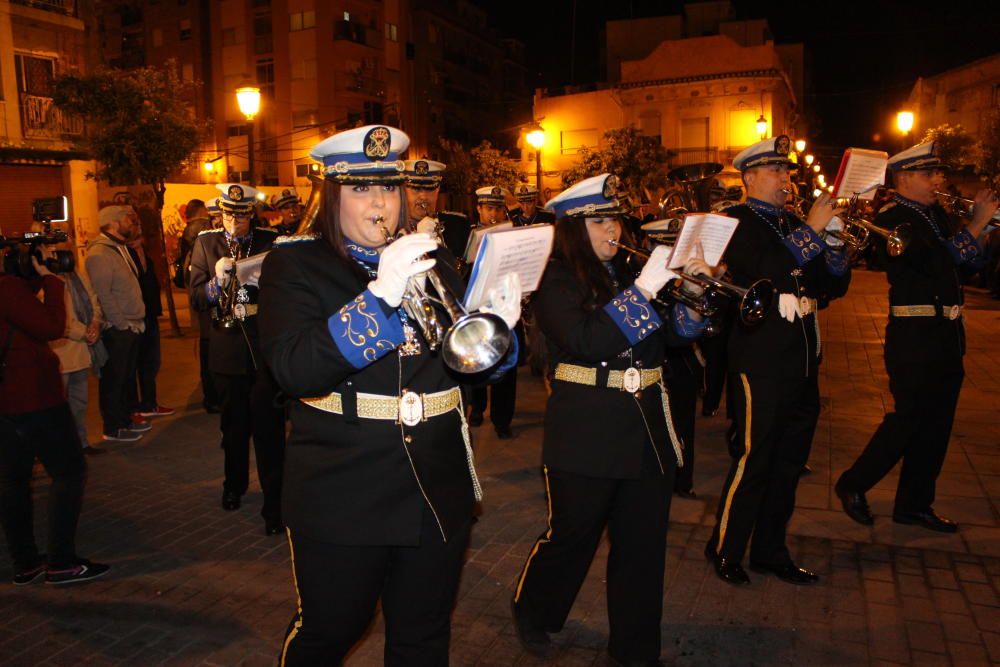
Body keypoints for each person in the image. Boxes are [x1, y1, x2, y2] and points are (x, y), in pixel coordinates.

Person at [258, 124, 521, 665]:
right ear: (332, 195)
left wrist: (500, 333)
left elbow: (465, 368)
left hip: (433, 480)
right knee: (331, 630)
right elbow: (293, 369)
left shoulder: (434, 258)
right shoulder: (295, 263)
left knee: (424, 635)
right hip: (344, 484)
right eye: (361, 189)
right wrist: (380, 298)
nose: (381, 202)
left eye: (390, 188)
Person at [511, 173, 709, 666]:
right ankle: (534, 609)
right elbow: (587, 341)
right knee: (572, 539)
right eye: (599, 221)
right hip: (586, 432)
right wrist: (645, 290)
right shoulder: (552, 279)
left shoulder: (626, 271)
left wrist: (693, 294)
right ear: (574, 228)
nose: (613, 230)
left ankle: (635, 652)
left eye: (614, 218)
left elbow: (677, 338)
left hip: (645, 431)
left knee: (642, 552)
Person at [705, 135, 851, 587]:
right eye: (775, 171)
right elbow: (764, 268)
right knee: (756, 458)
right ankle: (726, 547)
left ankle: (771, 550)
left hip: (803, 356)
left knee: (789, 462)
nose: (786, 178)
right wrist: (811, 231)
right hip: (760, 356)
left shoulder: (793, 222)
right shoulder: (734, 220)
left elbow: (829, 288)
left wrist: (836, 246)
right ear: (749, 178)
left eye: (787, 171)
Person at [835, 142, 997, 533]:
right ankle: (853, 482)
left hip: (947, 333)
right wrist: (975, 226)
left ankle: (914, 504)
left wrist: (985, 233)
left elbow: (966, 267)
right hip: (914, 334)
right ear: (904, 178)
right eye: (930, 174)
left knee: (938, 424)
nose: (938, 180)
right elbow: (931, 262)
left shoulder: (936, 214)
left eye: (938, 173)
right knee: (909, 418)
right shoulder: (893, 217)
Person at [0, 244, 110, 585]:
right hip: (34, 397)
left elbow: (21, 317)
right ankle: (61, 561)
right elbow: (49, 326)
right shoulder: (5, 287)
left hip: (6, 402)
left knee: (13, 482)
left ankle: (26, 561)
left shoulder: (11, 288)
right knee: (69, 472)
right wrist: (50, 280)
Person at [188, 183, 285, 535]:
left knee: (269, 429)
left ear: (251, 214)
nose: (235, 221)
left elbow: (287, 288)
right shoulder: (206, 242)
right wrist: (215, 282)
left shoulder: (269, 239)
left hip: (261, 348)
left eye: (241, 214)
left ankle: (275, 503)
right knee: (233, 427)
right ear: (220, 213)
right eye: (229, 214)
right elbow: (196, 298)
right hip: (227, 347)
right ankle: (234, 484)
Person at [85, 205, 151, 443]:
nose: (130, 222)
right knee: (114, 380)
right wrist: (121, 324)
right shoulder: (100, 254)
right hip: (119, 329)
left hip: (131, 325)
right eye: (126, 219)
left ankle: (124, 420)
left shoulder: (117, 249)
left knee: (125, 379)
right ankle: (113, 427)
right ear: (113, 223)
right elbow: (103, 294)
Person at [45, 231, 107, 454]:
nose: (67, 245)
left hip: (81, 353)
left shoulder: (76, 273)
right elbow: (58, 318)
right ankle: (59, 449)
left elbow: (93, 299)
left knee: (79, 403)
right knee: (57, 406)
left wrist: (96, 323)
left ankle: (80, 443)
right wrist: (85, 332)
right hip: (60, 354)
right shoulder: (46, 280)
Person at [469, 185, 518, 437]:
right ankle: (477, 408)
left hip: (504, 307)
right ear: (479, 209)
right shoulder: (468, 236)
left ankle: (502, 419)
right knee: (475, 361)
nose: (494, 214)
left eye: (498, 209)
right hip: (477, 309)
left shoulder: (511, 235)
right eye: (489, 208)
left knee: (506, 366)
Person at [178, 199, 221, 412]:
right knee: (209, 354)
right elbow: (194, 280)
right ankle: (212, 398)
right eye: (217, 217)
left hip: (219, 312)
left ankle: (215, 396)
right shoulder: (203, 242)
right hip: (208, 309)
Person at [127, 232, 173, 419]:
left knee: (151, 363)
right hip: (136, 316)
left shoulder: (146, 257)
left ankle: (149, 403)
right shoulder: (125, 259)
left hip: (150, 315)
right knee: (134, 364)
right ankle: (135, 408)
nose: (139, 239)